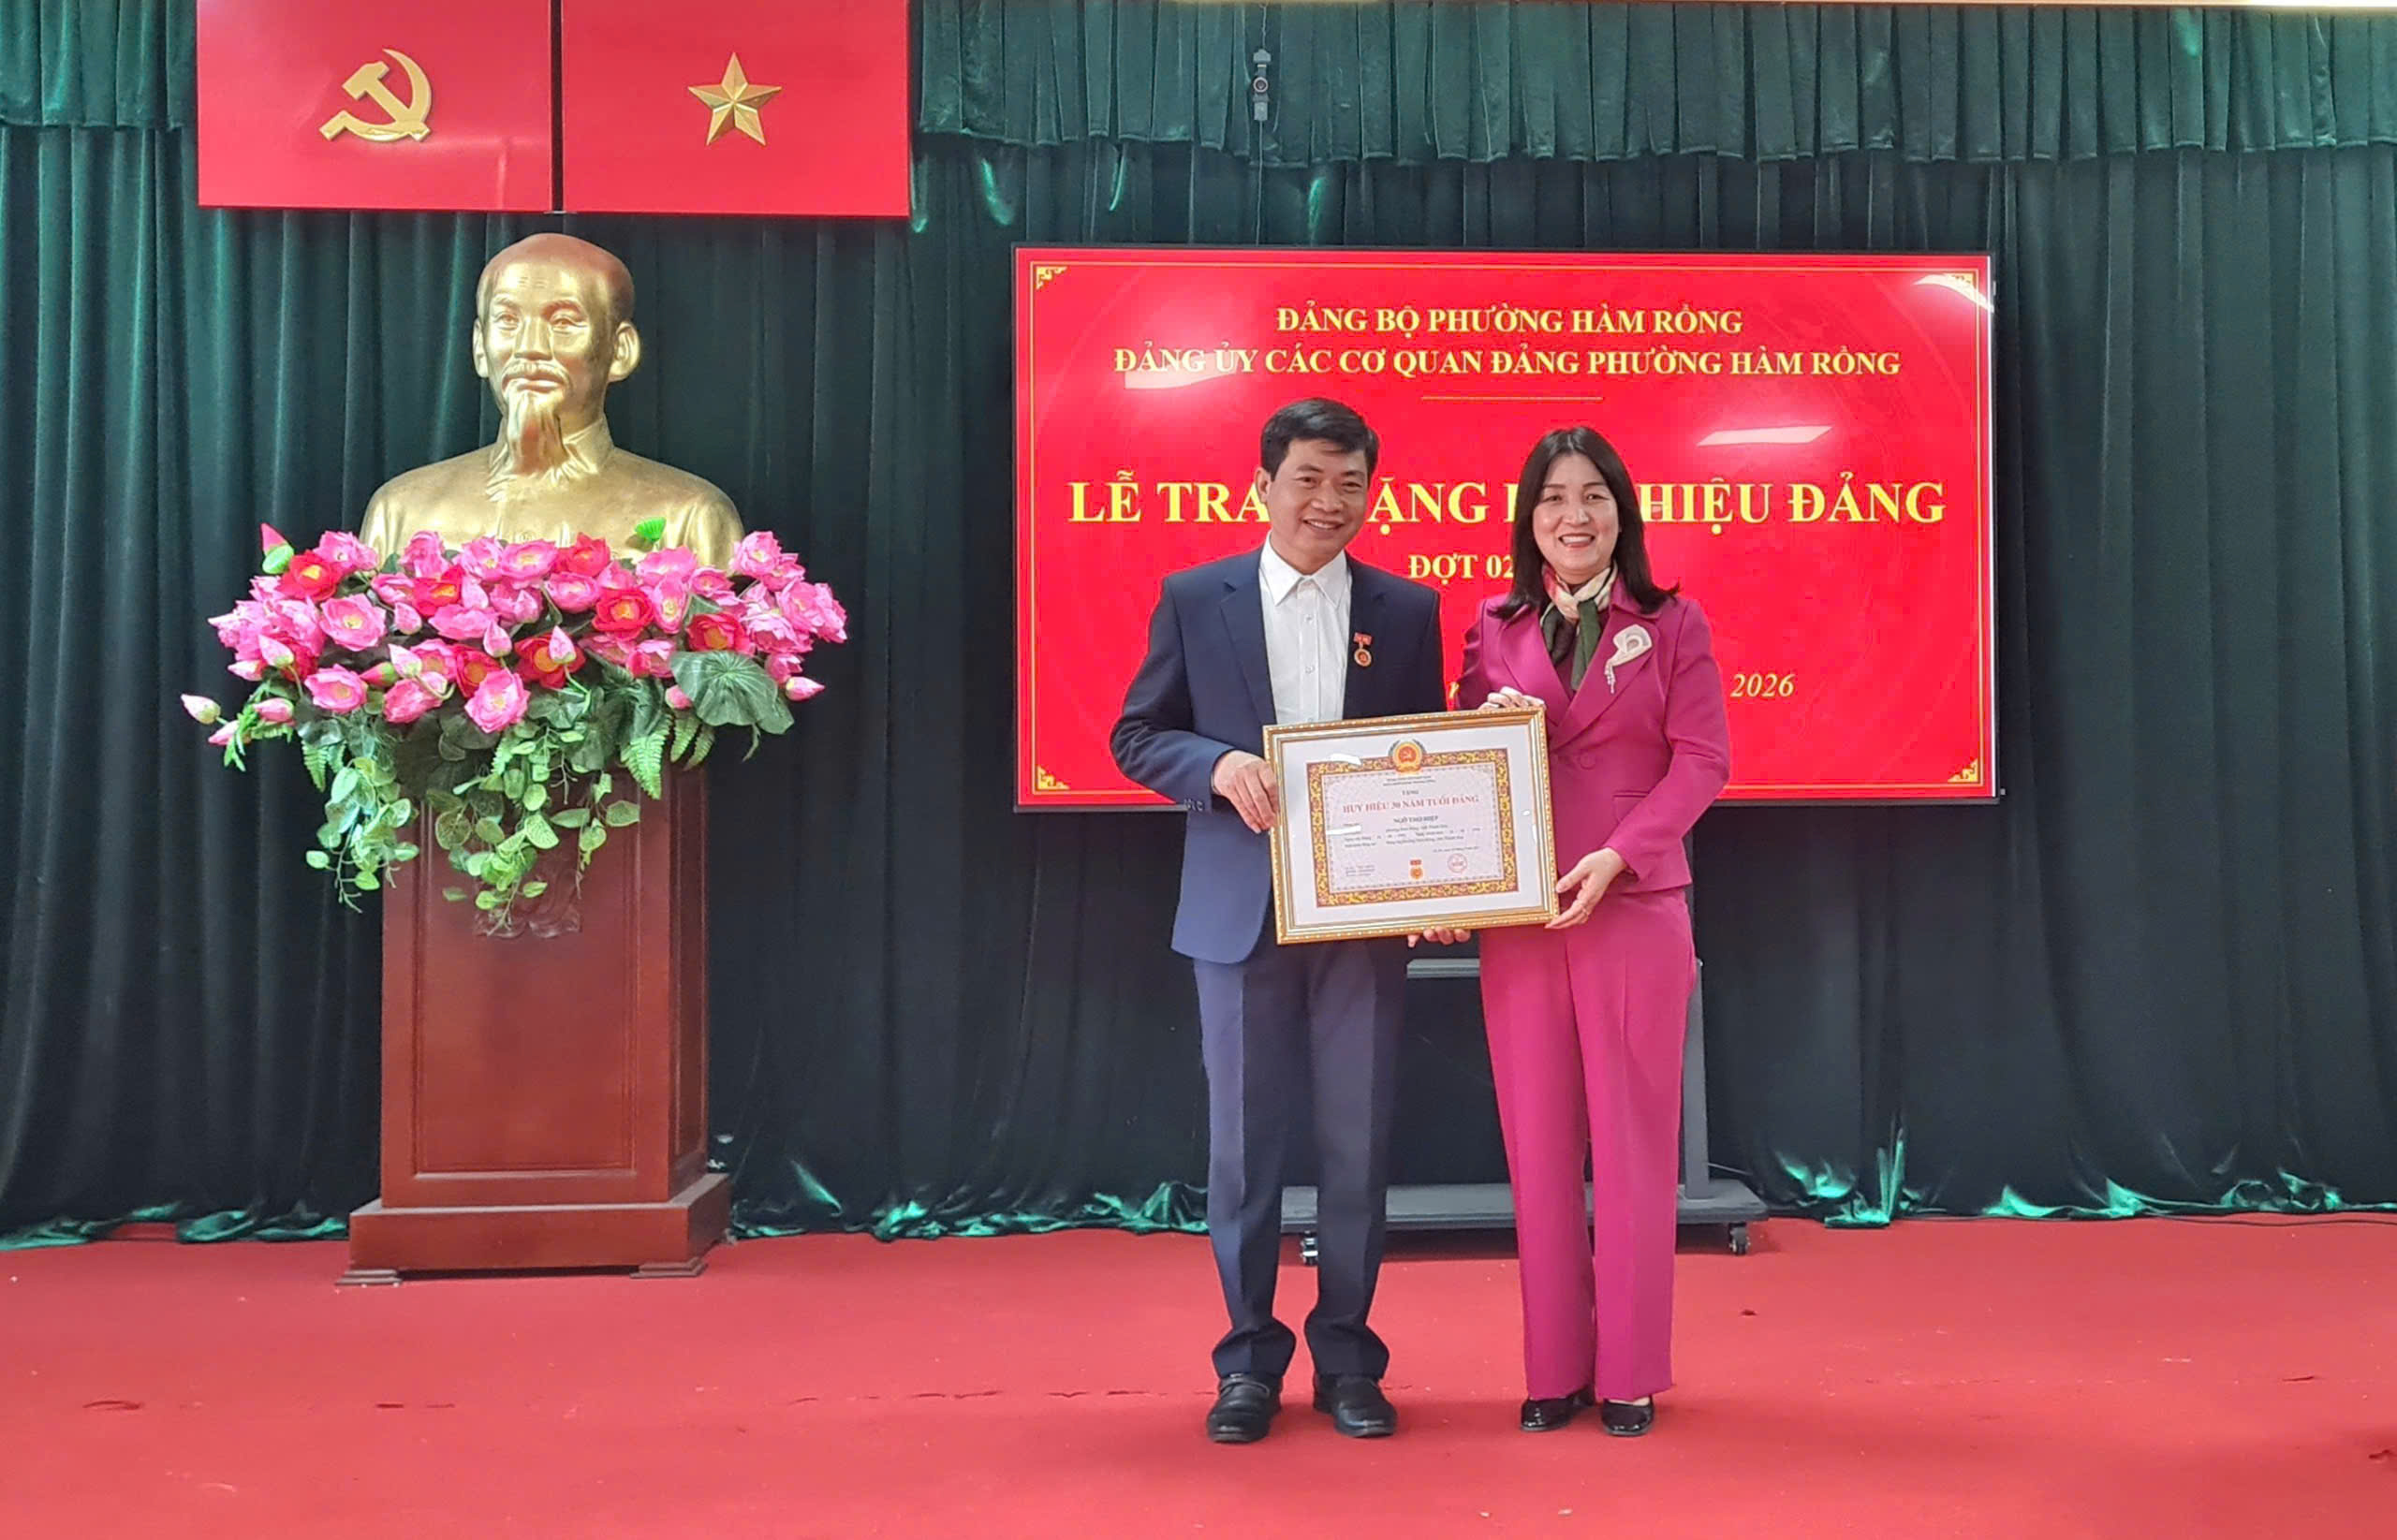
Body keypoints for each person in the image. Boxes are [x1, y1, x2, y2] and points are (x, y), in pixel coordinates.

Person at [1111, 399, 1446, 1445]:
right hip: (1238, 913)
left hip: (1361, 915)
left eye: (1350, 483)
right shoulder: (1194, 597)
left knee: (1357, 1143)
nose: (1328, 501)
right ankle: (1247, 1360)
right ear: (1263, 486)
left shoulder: (1405, 610)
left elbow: (1422, 760)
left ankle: (1348, 1358)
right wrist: (1214, 765)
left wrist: (1437, 882)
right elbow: (1136, 734)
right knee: (1245, 1151)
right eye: (1307, 478)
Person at [1441, 425, 1729, 1437]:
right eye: (1554, 498)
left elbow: (1702, 761)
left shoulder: (1675, 623)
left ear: (1622, 513)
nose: (1574, 515)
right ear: (1529, 520)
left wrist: (1621, 854)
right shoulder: (1492, 626)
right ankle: (1554, 1365)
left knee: (1634, 1144)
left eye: (1594, 496)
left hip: (1631, 906)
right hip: (1523, 917)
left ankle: (1629, 1371)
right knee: (1537, 1144)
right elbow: (1461, 764)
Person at [359, 232, 743, 567]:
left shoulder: (690, 517)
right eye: (508, 321)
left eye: (563, 323)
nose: (530, 348)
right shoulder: (401, 511)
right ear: (479, 347)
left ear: (620, 350)